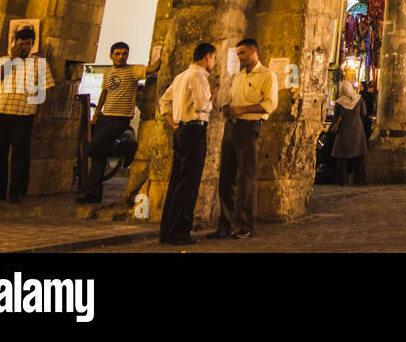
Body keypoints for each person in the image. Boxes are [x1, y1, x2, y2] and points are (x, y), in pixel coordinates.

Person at [208, 38, 279, 240]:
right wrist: (227, 108)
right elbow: (232, 99)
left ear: (253, 52)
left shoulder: (267, 76)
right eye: (238, 54)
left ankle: (246, 224)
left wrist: (241, 109)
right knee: (226, 178)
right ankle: (227, 223)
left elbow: (269, 104)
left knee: (247, 178)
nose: (239, 57)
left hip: (249, 128)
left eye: (242, 53)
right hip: (232, 127)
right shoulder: (239, 76)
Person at [77, 41, 160, 203]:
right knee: (97, 158)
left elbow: (152, 69)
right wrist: (97, 114)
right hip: (105, 117)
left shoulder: (133, 70)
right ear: (111, 55)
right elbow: (104, 92)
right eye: (118, 54)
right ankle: (94, 193)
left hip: (120, 118)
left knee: (91, 149)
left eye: (124, 54)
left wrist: (161, 53)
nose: (121, 57)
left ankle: (127, 148)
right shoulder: (108, 73)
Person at [0, 26, 55, 205]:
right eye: (21, 43)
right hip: (0, 110)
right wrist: (12, 59)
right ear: (15, 43)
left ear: (33, 45)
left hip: (24, 113)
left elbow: (45, 89)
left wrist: (41, 112)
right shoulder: (3, 60)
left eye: (28, 44)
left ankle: (17, 193)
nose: (24, 47)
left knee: (20, 155)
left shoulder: (39, 63)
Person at [158, 43, 216, 245]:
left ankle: (167, 231)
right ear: (208, 56)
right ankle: (180, 232)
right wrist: (213, 98)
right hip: (194, 131)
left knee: (177, 181)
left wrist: (173, 122)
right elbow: (203, 105)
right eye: (214, 59)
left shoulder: (181, 76)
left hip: (181, 130)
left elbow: (164, 101)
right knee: (189, 183)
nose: (214, 63)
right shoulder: (198, 77)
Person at [330, 79, 367, 186]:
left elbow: (335, 118)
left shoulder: (339, 102)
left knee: (342, 158)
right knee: (359, 157)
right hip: (357, 131)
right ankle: (360, 180)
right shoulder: (359, 100)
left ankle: (342, 180)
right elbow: (364, 113)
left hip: (343, 132)